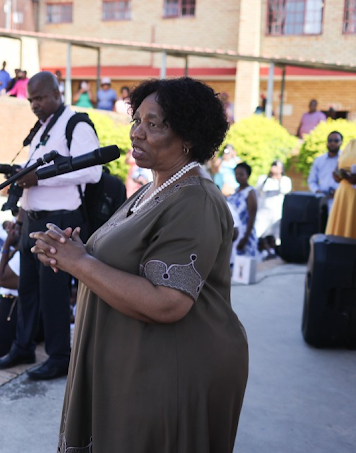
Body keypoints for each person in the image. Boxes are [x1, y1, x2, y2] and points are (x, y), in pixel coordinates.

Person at [29, 77, 248, 452]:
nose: (137, 134)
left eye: (154, 124)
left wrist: (80, 263)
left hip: (173, 371)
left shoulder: (196, 200)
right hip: (133, 361)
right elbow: (125, 263)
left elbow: (168, 301)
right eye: (137, 121)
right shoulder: (154, 188)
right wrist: (74, 253)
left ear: (189, 137)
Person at [0, 72, 102, 381]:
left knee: (53, 293)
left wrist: (39, 177)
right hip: (32, 220)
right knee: (27, 290)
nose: (35, 105)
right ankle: (23, 345)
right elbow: (33, 176)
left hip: (61, 221)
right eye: (30, 100)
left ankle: (58, 357)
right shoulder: (41, 129)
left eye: (40, 98)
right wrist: (21, 213)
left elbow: (92, 170)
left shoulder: (74, 124)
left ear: (57, 92)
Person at [326, 116, 356, 240]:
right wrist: (338, 174)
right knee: (341, 238)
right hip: (344, 196)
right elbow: (340, 164)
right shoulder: (352, 144)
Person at [255, 160, 292, 252]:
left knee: (275, 236)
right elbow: (258, 190)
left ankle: (274, 251)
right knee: (260, 233)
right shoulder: (263, 178)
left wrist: (278, 176)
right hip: (263, 212)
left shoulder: (285, 180)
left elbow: (285, 190)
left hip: (276, 213)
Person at [227, 162, 259, 259]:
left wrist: (245, 238)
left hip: (245, 233)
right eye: (236, 174)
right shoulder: (236, 191)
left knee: (245, 266)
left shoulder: (250, 192)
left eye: (241, 174)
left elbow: (252, 216)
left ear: (247, 175)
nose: (238, 176)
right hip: (234, 232)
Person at [308, 131, 343, 211]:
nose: (332, 143)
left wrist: (339, 192)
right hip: (322, 201)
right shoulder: (319, 160)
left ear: (341, 142)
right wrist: (318, 191)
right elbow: (311, 181)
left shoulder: (344, 159)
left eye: (336, 140)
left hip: (340, 200)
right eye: (330, 140)